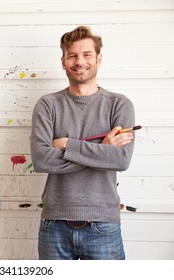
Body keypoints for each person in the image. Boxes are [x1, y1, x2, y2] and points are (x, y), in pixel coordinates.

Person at [30, 26, 135, 260]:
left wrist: (68, 144)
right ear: (63, 61)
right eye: (72, 55)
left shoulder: (119, 105)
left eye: (87, 54)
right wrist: (102, 151)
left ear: (98, 58)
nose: (80, 62)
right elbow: (41, 160)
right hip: (54, 224)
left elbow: (120, 159)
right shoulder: (48, 105)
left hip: (103, 225)